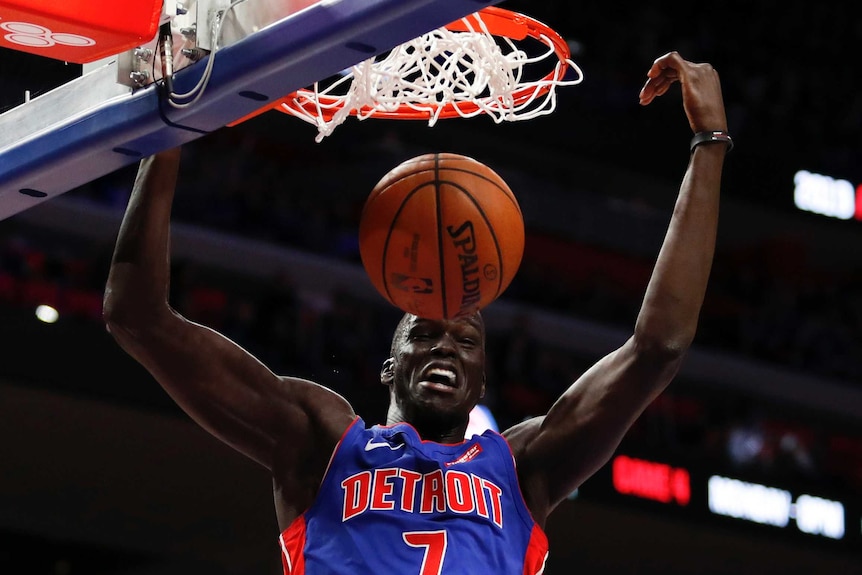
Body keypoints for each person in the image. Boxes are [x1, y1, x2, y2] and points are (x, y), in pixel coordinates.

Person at [103, 51, 731, 574]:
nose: (446, 346)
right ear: (389, 364)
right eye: (426, 331)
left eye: (466, 340)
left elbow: (659, 348)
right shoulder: (323, 442)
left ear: (483, 380)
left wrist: (709, 143)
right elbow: (137, 316)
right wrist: (172, 131)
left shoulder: (522, 469)